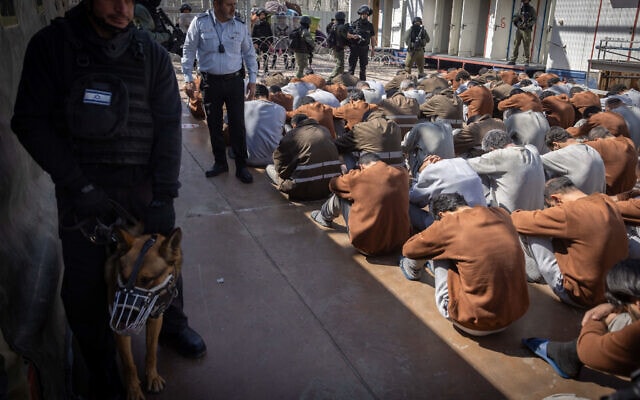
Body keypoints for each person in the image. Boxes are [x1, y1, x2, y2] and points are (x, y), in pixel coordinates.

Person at [11, 0, 206, 398]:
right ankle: (102, 368)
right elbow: (29, 121)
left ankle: (171, 326)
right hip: (83, 192)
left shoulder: (149, 54)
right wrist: (78, 185)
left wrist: (165, 195)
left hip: (143, 190)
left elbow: (169, 127)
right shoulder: (52, 47)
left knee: (163, 270)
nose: (123, 8)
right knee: (84, 290)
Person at [400, 193, 530, 336]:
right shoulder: (501, 213)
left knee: (437, 250)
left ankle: (412, 269)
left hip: (474, 322)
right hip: (513, 316)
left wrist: (437, 228)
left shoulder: (449, 223)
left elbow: (409, 249)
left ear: (442, 214)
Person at [511, 177, 629, 308]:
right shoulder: (606, 201)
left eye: (552, 206)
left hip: (582, 296)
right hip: (613, 292)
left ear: (556, 199)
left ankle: (534, 274)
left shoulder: (569, 212)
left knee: (532, 229)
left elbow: (517, 220)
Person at [522, 258, 640, 379]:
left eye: (624, 302)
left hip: (577, 294)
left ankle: (567, 354)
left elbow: (586, 351)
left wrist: (598, 320)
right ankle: (568, 353)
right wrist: (616, 306)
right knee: (623, 319)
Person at [182, 0, 258, 184]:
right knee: (214, 124)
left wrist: (253, 80)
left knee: (237, 125)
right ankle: (220, 163)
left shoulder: (239, 26)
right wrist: (188, 78)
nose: (233, 8)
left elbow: (249, 53)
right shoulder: (200, 23)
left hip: (234, 82)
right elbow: (189, 50)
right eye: (229, 4)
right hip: (210, 83)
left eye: (234, 4)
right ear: (216, 4)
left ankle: (241, 166)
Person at [310, 153, 411, 256]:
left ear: (361, 166)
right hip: (399, 243)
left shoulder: (358, 177)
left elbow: (333, 184)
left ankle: (324, 217)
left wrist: (345, 174)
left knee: (340, 195)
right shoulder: (402, 173)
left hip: (368, 246)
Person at [266, 114, 342, 201]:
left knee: (269, 168)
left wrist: (284, 175)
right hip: (330, 186)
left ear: (294, 125)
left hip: (302, 189)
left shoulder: (292, 135)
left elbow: (279, 162)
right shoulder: (325, 130)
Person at [466, 129, 546, 213]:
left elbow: (465, 165)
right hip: (536, 213)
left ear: (492, 150)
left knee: (476, 174)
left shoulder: (501, 155)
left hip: (509, 217)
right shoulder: (533, 150)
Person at [407, 156, 486, 232]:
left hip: (453, 226)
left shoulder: (430, 171)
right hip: (481, 216)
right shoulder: (462, 162)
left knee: (406, 205)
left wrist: (420, 174)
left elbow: (414, 199)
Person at [541, 126, 606, 195]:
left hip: (580, 202)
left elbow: (536, 159)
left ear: (556, 145)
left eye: (552, 150)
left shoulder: (566, 153)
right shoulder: (591, 150)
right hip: (598, 199)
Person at [244, 84, 286, 166]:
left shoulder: (244, 106)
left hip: (246, 159)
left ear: (252, 95)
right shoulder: (281, 109)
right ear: (268, 96)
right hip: (273, 160)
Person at [348, 5, 376, 81]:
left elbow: (373, 37)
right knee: (351, 68)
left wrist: (373, 49)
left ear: (368, 15)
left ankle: (363, 84)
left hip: (364, 49)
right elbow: (348, 35)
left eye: (365, 14)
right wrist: (354, 36)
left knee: (363, 68)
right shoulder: (354, 24)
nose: (364, 15)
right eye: (362, 14)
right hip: (354, 48)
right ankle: (350, 83)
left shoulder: (370, 26)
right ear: (360, 14)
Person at [507, 0, 536, 65]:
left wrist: (528, 25)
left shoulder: (531, 9)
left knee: (526, 45)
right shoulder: (520, 8)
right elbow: (514, 17)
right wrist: (518, 23)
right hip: (519, 29)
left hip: (527, 30)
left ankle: (526, 61)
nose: (523, 1)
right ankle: (513, 60)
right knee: (516, 44)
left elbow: (534, 19)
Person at [327, 11, 350, 82]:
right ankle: (330, 79)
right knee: (339, 65)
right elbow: (346, 36)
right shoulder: (341, 27)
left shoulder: (333, 25)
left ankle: (338, 80)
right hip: (339, 48)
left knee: (341, 65)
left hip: (335, 47)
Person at [252, 8, 273, 74]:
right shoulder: (256, 25)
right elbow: (253, 35)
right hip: (258, 43)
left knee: (266, 57)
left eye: (263, 14)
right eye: (261, 15)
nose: (262, 16)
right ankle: (257, 69)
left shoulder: (267, 24)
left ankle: (266, 69)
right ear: (258, 15)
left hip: (265, 42)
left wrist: (270, 42)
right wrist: (254, 43)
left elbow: (270, 34)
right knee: (257, 57)